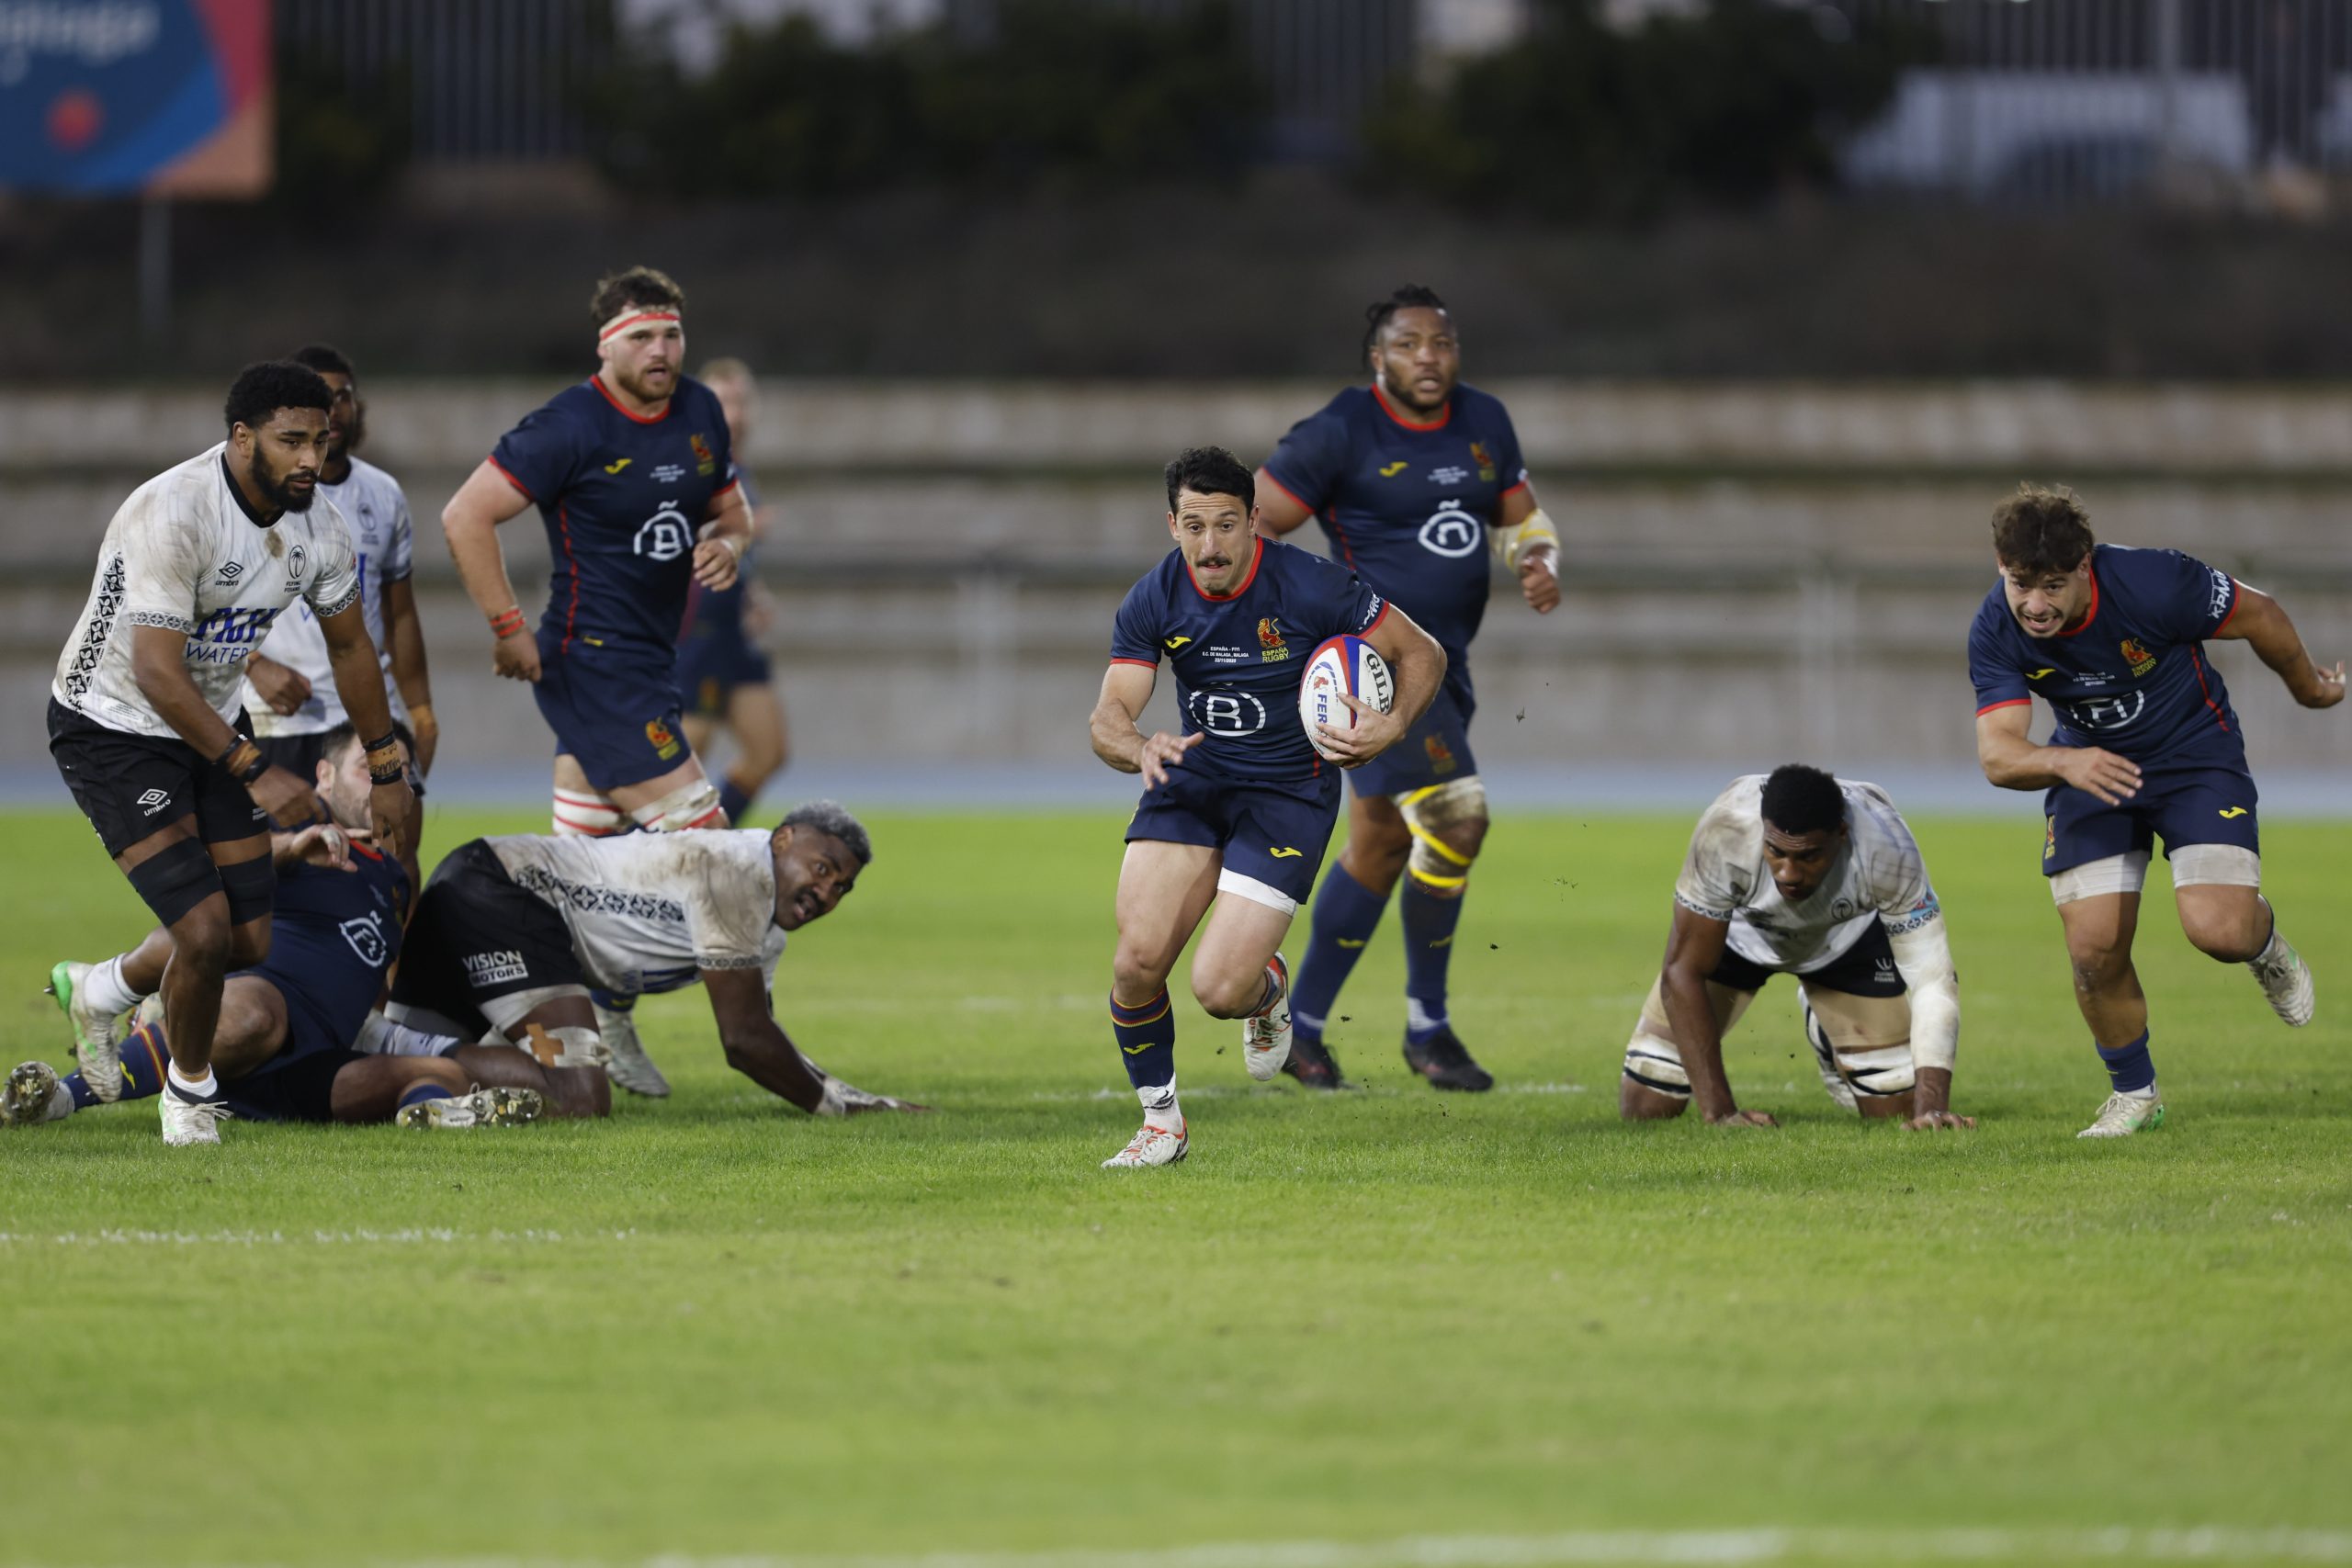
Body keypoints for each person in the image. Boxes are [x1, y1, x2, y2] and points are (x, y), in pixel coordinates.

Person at [45, 361, 416, 1146]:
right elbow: (154, 670)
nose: (310, 459)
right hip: (113, 727)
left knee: (249, 941)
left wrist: (387, 766)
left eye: (320, 440)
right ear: (242, 437)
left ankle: (101, 989)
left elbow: (352, 648)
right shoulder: (174, 511)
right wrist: (255, 768)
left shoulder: (320, 526)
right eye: (290, 442)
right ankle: (188, 1095)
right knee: (207, 930)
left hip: (206, 720)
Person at [1091, 446, 1445, 1168]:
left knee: (1220, 990)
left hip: (1288, 794)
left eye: (1226, 524)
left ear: (1255, 520)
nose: (1210, 545)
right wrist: (1137, 749)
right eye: (1194, 526)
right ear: (1172, 525)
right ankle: (1162, 1125)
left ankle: (1267, 987)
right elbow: (1108, 715)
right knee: (1135, 962)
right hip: (1191, 781)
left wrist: (1394, 723)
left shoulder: (1311, 587)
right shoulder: (1154, 596)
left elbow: (1424, 653)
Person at [1253, 285, 1560, 1094]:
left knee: (1385, 842)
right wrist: (1303, 625)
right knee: (1458, 819)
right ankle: (1429, 1027)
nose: (1430, 356)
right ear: (1377, 357)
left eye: (1443, 342)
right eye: (1411, 343)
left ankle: (1301, 1027)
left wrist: (1536, 559)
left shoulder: (1485, 420)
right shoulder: (1341, 431)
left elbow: (1521, 515)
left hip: (1446, 664)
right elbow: (1253, 525)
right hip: (1373, 666)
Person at [1968, 485, 2342, 1137]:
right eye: (2020, 583)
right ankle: (2135, 1094)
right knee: (2092, 947)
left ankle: (2265, 944)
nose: (2034, 604)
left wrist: (2311, 689)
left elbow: (2262, 614)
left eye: (2053, 585)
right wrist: (2065, 761)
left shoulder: (2155, 581)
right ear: (2001, 565)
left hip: (2194, 756)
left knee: (2218, 930)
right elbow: (1999, 755)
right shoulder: (1996, 626)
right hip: (2089, 769)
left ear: (2085, 565)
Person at [9, 726, 524, 1134]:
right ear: (324, 775)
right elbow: (204, 887)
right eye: (370, 770)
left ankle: (434, 1121)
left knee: (445, 1076)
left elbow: (370, 981)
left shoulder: (394, 879)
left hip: (315, 1058)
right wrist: (294, 847)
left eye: (401, 775)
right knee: (256, 1015)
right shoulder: (283, 824)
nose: (389, 785)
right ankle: (59, 1097)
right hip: (252, 1010)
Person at [438, 265, 752, 839]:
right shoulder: (567, 427)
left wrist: (728, 545)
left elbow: (733, 514)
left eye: (671, 336)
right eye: (641, 338)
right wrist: (509, 628)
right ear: (605, 347)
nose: (660, 351)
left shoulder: (701, 408)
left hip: (655, 661)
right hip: (595, 663)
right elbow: (464, 516)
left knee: (591, 875)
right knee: (714, 851)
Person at [383, 801, 922, 1118]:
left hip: (477, 884)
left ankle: (391, 1050)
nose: (826, 893)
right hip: (502, 897)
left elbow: (765, 1035)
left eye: (841, 889)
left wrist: (850, 1094)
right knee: (578, 1093)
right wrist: (839, 1107)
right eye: (822, 869)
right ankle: (399, 1047)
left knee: (384, 1074)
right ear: (783, 840)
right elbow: (746, 1041)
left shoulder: (764, 923)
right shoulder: (742, 872)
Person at [1619, 765, 1972, 1131]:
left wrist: (1931, 1107)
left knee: (1896, 1112)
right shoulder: (1726, 829)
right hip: (1739, 937)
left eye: (1808, 856)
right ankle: (1832, 1028)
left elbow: (1932, 976)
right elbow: (1682, 970)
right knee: (1644, 1105)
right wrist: (1720, 1112)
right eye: (1776, 852)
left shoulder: (1887, 845)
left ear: (1842, 834)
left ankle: (1825, 1028)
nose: (1788, 873)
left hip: (1842, 942)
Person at [241, 344, 437, 784]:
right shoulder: (254, 494)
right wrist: (253, 664)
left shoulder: (384, 494)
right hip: (275, 715)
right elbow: (202, 602)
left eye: (343, 395)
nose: (335, 407)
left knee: (396, 847)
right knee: (283, 852)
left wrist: (422, 714)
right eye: (320, 396)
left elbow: (400, 613)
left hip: (366, 711)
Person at [676, 357, 789, 827]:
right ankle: (642, 868)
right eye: (723, 402)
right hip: (696, 635)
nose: (735, 413)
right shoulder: (691, 464)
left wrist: (752, 593)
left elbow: (738, 556)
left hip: (733, 632)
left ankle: (713, 844)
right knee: (683, 772)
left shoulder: (739, 469)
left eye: (741, 401)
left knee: (768, 751)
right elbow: (676, 538)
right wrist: (735, 530)